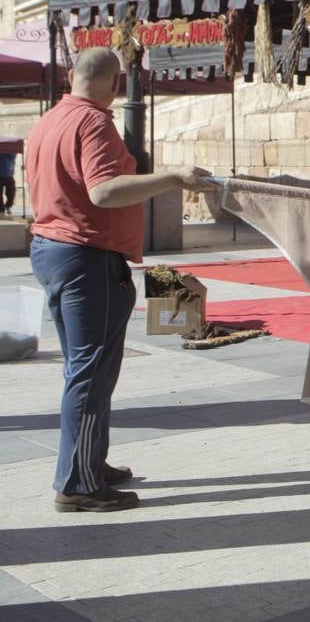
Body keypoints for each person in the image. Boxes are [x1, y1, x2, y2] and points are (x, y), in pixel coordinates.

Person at [26, 47, 215, 513]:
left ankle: (88, 459)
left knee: (86, 367)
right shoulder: (94, 122)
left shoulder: (49, 121)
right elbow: (103, 190)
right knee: (91, 371)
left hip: (56, 251)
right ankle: (79, 483)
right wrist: (172, 177)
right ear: (116, 83)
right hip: (88, 258)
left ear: (72, 76)